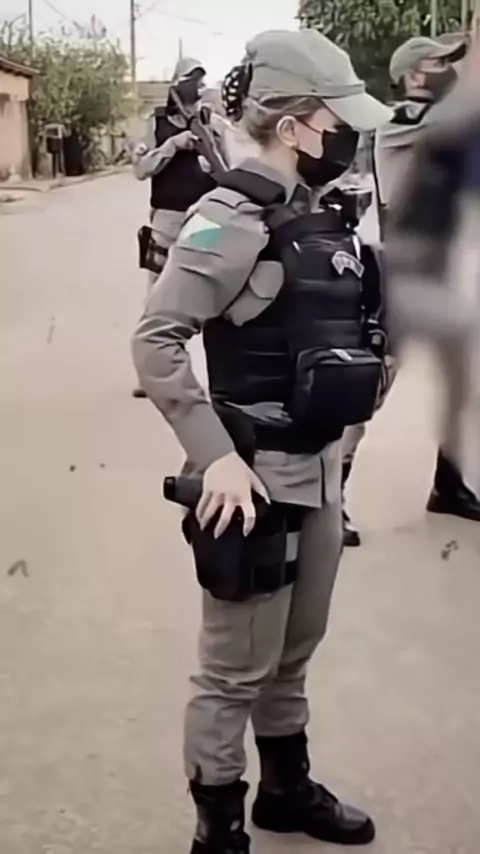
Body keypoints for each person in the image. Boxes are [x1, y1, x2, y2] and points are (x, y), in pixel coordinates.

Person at [132, 28, 391, 854]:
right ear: (291, 125)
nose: (347, 140)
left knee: (294, 650)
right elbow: (158, 340)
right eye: (336, 123)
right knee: (233, 669)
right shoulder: (227, 218)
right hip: (252, 478)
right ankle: (219, 827)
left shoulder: (320, 213)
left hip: (318, 470)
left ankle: (285, 788)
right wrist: (216, 458)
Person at [342, 34, 480, 537]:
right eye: (441, 64)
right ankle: (330, 494)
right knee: (368, 388)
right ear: (415, 75)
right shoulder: (401, 121)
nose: (452, 72)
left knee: (460, 382)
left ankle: (449, 485)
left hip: (443, 270)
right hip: (399, 272)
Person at [132, 57, 216, 398]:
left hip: (205, 219)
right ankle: (152, 376)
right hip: (167, 219)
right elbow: (141, 169)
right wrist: (172, 146)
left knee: (211, 295)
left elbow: (229, 164)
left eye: (200, 81)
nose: (196, 88)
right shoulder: (156, 122)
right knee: (158, 299)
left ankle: (217, 379)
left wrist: (210, 160)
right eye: (190, 81)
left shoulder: (210, 121)